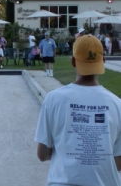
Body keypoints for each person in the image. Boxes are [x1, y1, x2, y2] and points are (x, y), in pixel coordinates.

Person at [34, 35, 121, 186]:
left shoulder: (53, 99)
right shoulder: (117, 104)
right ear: (103, 62)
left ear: (73, 61)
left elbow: (42, 154)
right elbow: (118, 162)